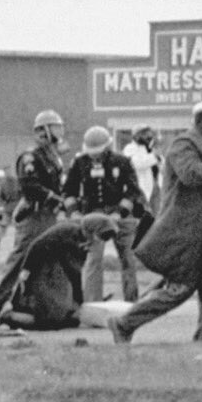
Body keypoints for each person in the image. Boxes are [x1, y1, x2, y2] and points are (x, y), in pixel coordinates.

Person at [107, 100, 202, 343]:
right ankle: (123, 324)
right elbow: (192, 175)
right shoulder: (183, 145)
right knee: (179, 290)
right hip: (185, 233)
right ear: (199, 120)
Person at [0, 110, 68, 318]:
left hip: (50, 216)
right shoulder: (30, 157)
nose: (60, 131)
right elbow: (31, 186)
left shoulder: (52, 155)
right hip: (34, 216)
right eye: (55, 127)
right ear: (44, 130)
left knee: (50, 261)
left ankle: (44, 305)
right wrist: (54, 199)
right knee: (21, 259)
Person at [0, 213, 118, 331]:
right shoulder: (68, 230)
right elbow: (36, 245)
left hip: (58, 276)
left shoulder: (84, 240)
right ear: (92, 229)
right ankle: (8, 317)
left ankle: (27, 315)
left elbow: (75, 272)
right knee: (50, 321)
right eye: (101, 236)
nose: (100, 241)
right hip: (42, 272)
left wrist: (79, 300)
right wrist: (26, 272)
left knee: (69, 320)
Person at [63, 126, 144, 303]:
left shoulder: (122, 161)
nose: (94, 156)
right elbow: (68, 191)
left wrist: (119, 213)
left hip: (119, 214)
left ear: (107, 147)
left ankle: (132, 301)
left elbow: (133, 191)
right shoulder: (80, 163)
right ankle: (93, 302)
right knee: (93, 260)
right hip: (92, 215)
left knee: (128, 259)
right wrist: (74, 212)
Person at [122, 124, 162, 214]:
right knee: (144, 214)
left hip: (156, 186)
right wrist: (154, 156)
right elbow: (137, 164)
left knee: (158, 214)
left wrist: (158, 157)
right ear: (136, 136)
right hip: (140, 188)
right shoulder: (130, 148)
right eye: (144, 133)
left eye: (148, 133)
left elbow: (161, 164)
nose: (148, 136)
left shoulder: (150, 148)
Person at [0, 166, 21, 248]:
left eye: (8, 172)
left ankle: (17, 242)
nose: (7, 174)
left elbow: (22, 194)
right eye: (6, 172)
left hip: (17, 206)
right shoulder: (4, 184)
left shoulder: (17, 182)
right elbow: (1, 197)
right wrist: (3, 202)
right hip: (9, 207)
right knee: (4, 225)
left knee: (18, 225)